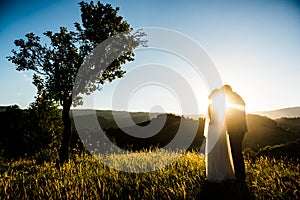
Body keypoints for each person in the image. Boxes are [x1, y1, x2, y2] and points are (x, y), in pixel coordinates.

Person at [204, 89, 235, 182]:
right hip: (217, 129)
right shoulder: (219, 106)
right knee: (219, 150)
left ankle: (215, 173)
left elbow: (211, 119)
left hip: (214, 129)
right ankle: (221, 172)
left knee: (216, 151)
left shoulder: (211, 106)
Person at [222, 85, 248, 183]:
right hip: (240, 128)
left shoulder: (232, 98)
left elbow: (231, 113)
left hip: (236, 128)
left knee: (236, 151)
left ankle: (240, 175)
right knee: (237, 151)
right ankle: (240, 174)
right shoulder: (236, 96)